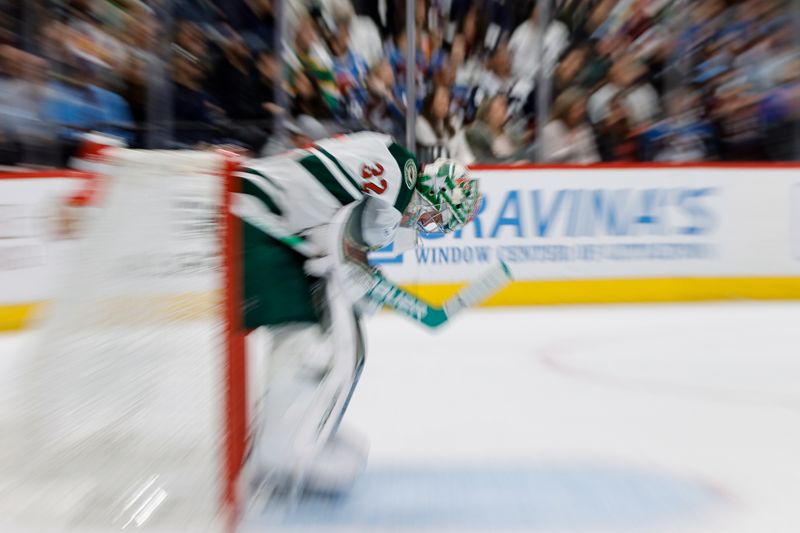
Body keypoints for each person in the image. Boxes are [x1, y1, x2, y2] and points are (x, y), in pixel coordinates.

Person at [235, 132, 480, 497]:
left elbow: (343, 245)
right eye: (433, 220)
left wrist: (363, 278)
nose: (422, 228)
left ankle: (284, 436)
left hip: (279, 232)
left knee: (317, 342)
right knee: (302, 342)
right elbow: (349, 248)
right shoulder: (399, 170)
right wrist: (365, 277)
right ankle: (276, 451)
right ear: (434, 194)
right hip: (257, 217)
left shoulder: (391, 200)